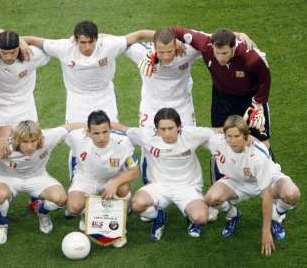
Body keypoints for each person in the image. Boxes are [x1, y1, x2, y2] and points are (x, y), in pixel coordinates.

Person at [21, 20, 153, 179]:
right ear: (75, 40)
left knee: (108, 134)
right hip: (77, 99)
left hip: (104, 96)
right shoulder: (63, 47)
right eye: (83, 43)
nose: (88, 47)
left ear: (97, 39)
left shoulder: (110, 45)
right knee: (76, 137)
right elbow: (33, 40)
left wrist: (172, 37)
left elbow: (139, 35)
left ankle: (113, 175)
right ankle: (77, 176)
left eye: (91, 42)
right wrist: (21, 42)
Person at [169, 27, 273, 182]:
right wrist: (173, 42)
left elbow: (265, 79)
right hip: (222, 98)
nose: (220, 57)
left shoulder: (251, 57)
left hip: (249, 99)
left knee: (262, 142)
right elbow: (173, 30)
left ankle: (272, 179)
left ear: (234, 47)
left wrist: (258, 104)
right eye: (217, 53)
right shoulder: (205, 44)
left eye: (224, 53)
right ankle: (221, 181)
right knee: (221, 136)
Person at [204, 115, 300, 256]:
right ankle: (233, 215)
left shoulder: (258, 155)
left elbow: (266, 194)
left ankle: (276, 215)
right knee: (211, 199)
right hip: (237, 181)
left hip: (269, 179)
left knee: (292, 194)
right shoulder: (217, 141)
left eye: (237, 136)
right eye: (228, 136)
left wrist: (265, 232)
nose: (232, 141)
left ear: (246, 135)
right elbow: (194, 132)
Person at [113, 108, 214, 240]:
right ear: (156, 129)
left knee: (200, 217)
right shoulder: (147, 136)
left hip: (187, 187)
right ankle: (159, 217)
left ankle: (191, 219)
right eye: (162, 129)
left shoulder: (191, 134)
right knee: (137, 205)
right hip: (159, 186)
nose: (167, 133)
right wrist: (90, 128)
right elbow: (123, 129)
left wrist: (248, 135)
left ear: (179, 127)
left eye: (170, 128)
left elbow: (217, 131)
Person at [125, 28, 201, 186]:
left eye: (170, 51)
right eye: (161, 52)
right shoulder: (141, 53)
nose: (166, 56)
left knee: (186, 145)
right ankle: (150, 191)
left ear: (176, 45)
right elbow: (113, 42)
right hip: (152, 106)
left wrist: (240, 36)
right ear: (153, 46)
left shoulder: (187, 51)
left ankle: (190, 189)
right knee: (149, 146)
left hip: (182, 105)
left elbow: (214, 40)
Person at [0, 120, 84, 244]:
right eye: (25, 142)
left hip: (37, 177)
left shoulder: (47, 137)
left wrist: (90, 127)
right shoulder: (4, 147)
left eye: (33, 141)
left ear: (39, 138)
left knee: (61, 199)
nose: (30, 146)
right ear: (17, 140)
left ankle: (42, 211)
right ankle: (2, 224)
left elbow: (68, 126)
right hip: (8, 178)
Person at [65, 110, 139, 248]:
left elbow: (134, 171)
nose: (102, 138)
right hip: (86, 178)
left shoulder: (123, 143)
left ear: (110, 129)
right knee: (74, 207)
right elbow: (64, 129)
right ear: (88, 132)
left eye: (105, 132)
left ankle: (118, 226)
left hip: (112, 177)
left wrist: (115, 183)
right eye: (96, 133)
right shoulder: (77, 137)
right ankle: (85, 215)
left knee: (122, 188)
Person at [0, 30, 50, 138]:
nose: (8, 57)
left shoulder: (31, 55)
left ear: (19, 47)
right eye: (4, 53)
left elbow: (49, 46)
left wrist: (23, 40)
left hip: (25, 109)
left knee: (31, 146)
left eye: (13, 52)